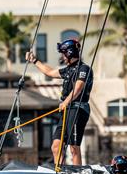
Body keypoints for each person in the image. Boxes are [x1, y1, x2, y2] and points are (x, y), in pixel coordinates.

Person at [26, 38, 94, 166]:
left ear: (69, 53)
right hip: (67, 109)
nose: (62, 56)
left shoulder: (84, 69)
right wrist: (34, 60)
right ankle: (60, 172)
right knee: (56, 146)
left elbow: (78, 88)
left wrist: (66, 102)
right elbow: (50, 72)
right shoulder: (68, 69)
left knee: (73, 147)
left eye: (63, 53)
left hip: (78, 109)